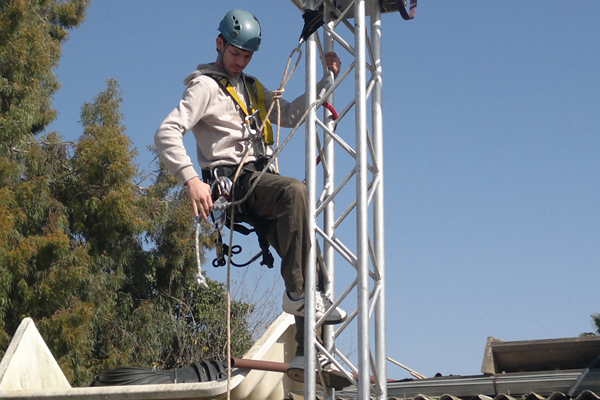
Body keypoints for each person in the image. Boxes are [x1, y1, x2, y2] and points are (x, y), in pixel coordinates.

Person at [154, 9, 346, 381]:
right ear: (220, 44)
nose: (239, 62)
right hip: (234, 183)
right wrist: (192, 179)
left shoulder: (252, 87)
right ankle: (296, 295)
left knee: (310, 253)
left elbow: (289, 115)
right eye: (234, 54)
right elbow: (167, 132)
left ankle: (309, 355)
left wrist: (327, 81)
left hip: (261, 182)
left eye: (246, 56)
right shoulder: (205, 86)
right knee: (295, 192)